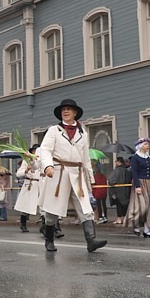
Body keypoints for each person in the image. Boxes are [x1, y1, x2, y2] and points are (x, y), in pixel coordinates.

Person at [38, 98, 107, 253]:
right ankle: (49, 240)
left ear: (75, 113)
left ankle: (91, 240)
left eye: (69, 109)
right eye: (63, 110)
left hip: (77, 175)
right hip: (58, 174)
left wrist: (90, 179)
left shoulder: (83, 133)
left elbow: (85, 158)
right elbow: (45, 150)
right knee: (52, 212)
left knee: (85, 208)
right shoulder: (54, 130)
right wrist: (48, 166)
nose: (66, 111)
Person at [126, 138, 150, 238]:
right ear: (140, 146)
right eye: (145, 144)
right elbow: (134, 172)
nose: (147, 146)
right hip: (140, 182)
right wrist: (137, 186)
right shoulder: (135, 158)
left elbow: (149, 171)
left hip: (149, 182)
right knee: (140, 207)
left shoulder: (148, 157)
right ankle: (136, 226)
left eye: (148, 144)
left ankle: (146, 229)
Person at [14, 144, 41, 233]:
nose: (36, 152)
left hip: (40, 184)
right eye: (34, 150)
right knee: (25, 205)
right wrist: (26, 170)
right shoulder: (26, 161)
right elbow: (18, 174)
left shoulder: (42, 160)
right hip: (29, 183)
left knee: (43, 206)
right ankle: (23, 224)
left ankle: (45, 225)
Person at [108, 157, 131, 225]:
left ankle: (119, 219)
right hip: (126, 190)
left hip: (117, 190)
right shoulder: (127, 170)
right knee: (125, 205)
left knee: (119, 205)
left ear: (118, 162)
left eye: (116, 161)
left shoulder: (116, 171)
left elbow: (112, 181)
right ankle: (124, 218)